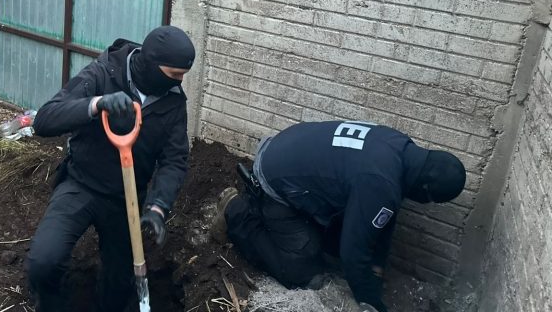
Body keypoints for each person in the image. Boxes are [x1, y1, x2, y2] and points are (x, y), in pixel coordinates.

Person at [210, 120, 466, 312]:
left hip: (289, 152)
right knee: (304, 275)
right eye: (431, 199)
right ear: (425, 189)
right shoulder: (381, 183)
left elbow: (382, 223)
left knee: (333, 246)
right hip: (275, 180)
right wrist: (370, 300)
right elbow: (353, 252)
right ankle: (236, 210)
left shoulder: (400, 149)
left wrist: (376, 268)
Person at [25, 25, 195, 312]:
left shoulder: (173, 102)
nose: (178, 82)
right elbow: (44, 119)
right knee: (44, 262)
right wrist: (95, 104)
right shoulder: (103, 73)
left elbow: (174, 159)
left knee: (120, 282)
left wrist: (157, 207)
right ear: (151, 65)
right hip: (80, 184)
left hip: (125, 200)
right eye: (174, 74)